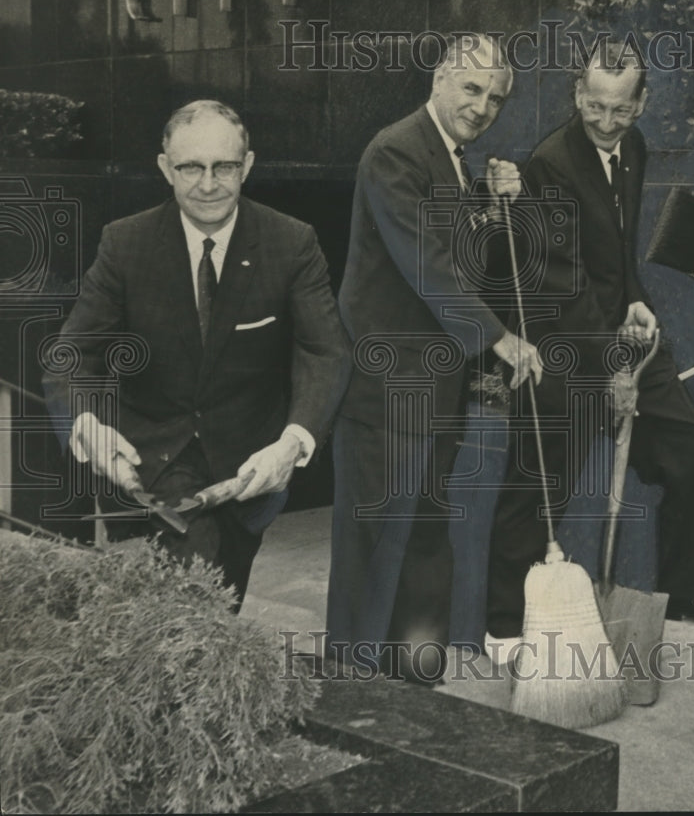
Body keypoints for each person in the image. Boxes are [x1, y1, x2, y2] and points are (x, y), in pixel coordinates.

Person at [484, 44, 694, 659]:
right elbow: (560, 280)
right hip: (560, 345)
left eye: (621, 109)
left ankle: (685, 591)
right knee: (539, 485)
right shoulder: (551, 164)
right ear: (578, 95)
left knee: (690, 440)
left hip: (618, 335)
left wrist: (636, 305)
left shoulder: (633, 149)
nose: (607, 121)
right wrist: (610, 363)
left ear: (641, 103)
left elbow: (618, 249)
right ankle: (502, 626)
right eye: (596, 107)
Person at [43, 99, 350, 611]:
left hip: (248, 471)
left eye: (224, 166)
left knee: (217, 607)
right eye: (191, 167)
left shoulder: (291, 243)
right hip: (149, 468)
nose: (208, 184)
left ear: (247, 165)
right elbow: (70, 354)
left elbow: (326, 350)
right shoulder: (126, 243)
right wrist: (86, 424)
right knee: (186, 608)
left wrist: (293, 443)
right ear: (165, 168)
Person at [326, 34, 543, 684]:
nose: (482, 107)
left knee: (421, 536)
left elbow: (464, 260)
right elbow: (428, 267)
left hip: (433, 387)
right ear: (442, 78)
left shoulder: (454, 160)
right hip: (386, 389)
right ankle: (352, 690)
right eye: (472, 89)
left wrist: (495, 206)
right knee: (373, 546)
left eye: (496, 98)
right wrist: (499, 338)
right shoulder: (397, 150)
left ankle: (413, 681)